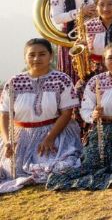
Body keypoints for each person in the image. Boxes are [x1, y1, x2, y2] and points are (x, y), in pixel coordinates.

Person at [46, 42, 112, 190]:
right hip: (104, 129)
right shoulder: (95, 82)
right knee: (92, 163)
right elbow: (85, 110)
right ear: (104, 61)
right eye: (110, 58)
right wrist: (93, 115)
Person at [0, 39, 81, 194]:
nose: (37, 59)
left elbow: (66, 113)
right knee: (12, 171)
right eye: (32, 55)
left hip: (54, 133)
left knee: (59, 167)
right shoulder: (14, 82)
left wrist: (50, 138)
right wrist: (6, 140)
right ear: (25, 58)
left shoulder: (61, 79)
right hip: (20, 136)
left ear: (51, 56)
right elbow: (4, 114)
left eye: (42, 54)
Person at [50, 0, 103, 86]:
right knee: (72, 72)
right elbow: (57, 18)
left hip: (95, 34)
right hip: (71, 38)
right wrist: (81, 12)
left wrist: (98, 11)